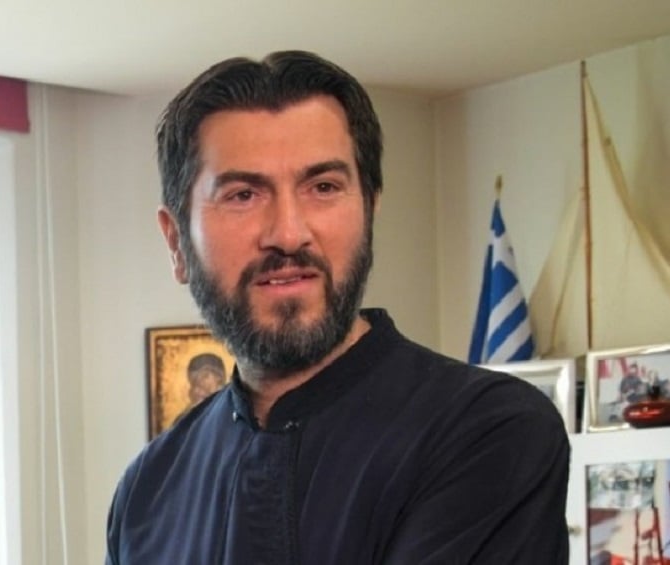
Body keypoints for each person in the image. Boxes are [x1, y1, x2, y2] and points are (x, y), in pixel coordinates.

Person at [105, 50, 570, 564]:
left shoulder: (487, 430)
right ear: (176, 242)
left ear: (369, 210)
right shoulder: (147, 489)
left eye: (323, 187)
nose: (288, 234)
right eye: (242, 195)